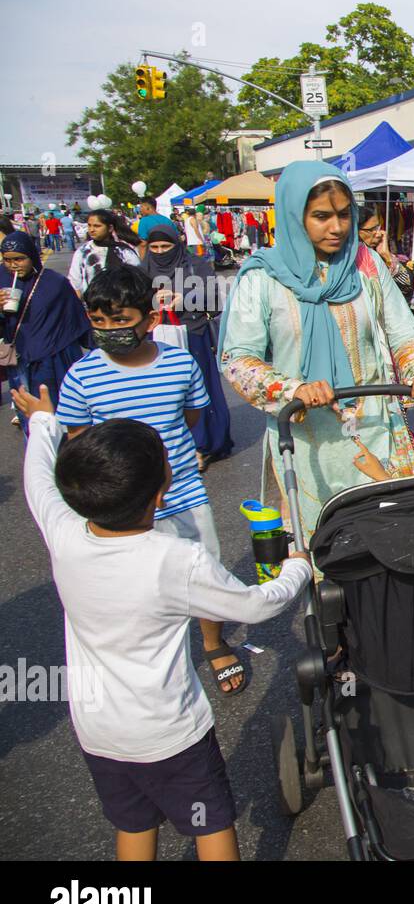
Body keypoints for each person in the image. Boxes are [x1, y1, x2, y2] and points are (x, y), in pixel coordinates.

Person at [16, 392, 312, 860]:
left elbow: (38, 481)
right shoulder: (176, 560)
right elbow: (255, 606)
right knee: (209, 822)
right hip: (170, 733)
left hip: (98, 731)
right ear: (160, 492)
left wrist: (43, 424)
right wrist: (296, 567)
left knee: (133, 824)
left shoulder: (64, 532)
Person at [219, 161, 414, 547]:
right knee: (325, 545)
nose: (336, 228)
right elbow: (237, 359)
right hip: (306, 435)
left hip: (376, 423)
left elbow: (403, 331)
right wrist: (292, 390)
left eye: (343, 215)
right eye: (321, 216)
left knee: (393, 540)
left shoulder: (364, 265)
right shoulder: (262, 278)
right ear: (292, 214)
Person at [56, 266, 249, 695]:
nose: (110, 330)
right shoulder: (81, 376)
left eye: (121, 320)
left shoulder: (181, 363)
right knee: (133, 589)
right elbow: (80, 444)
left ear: (150, 318)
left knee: (203, 572)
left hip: (182, 491)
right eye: (99, 321)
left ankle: (214, 643)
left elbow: (192, 416)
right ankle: (154, 662)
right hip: (122, 506)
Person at [142, 223, 234, 467]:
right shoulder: (143, 269)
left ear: (177, 244)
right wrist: (152, 298)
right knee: (164, 395)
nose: (160, 252)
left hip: (193, 335)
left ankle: (200, 446)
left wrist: (185, 298)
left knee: (196, 391)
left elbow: (214, 297)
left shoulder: (195, 264)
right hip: (156, 340)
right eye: (155, 247)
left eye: (166, 246)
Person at [0, 231, 92, 432]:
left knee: (60, 414)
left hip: (55, 357)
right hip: (20, 358)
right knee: (31, 418)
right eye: (7, 260)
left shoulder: (54, 282)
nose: (13, 265)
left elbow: (75, 317)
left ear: (32, 256)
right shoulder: (2, 280)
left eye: (19, 259)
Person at [68, 209, 141, 297]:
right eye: (89, 225)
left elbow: (138, 281)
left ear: (110, 228)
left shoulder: (124, 252)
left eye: (97, 226)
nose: (91, 230)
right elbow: (75, 283)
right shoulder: (82, 252)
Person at [356, 205, 414, 305]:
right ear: (355, 232)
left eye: (378, 227)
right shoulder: (352, 262)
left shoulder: (378, 256)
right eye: (371, 230)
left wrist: (387, 256)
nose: (379, 234)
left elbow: (407, 286)